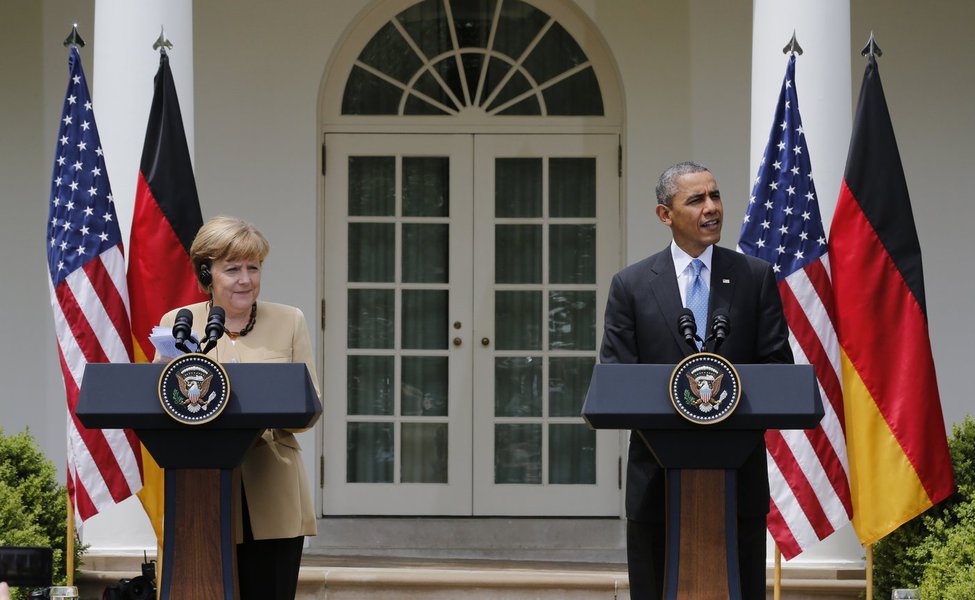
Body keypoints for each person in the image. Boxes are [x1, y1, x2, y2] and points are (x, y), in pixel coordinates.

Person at [599, 161, 793, 600]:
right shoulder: (631, 285)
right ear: (665, 215)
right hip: (657, 481)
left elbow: (778, 368)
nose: (712, 208)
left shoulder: (754, 278)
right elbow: (616, 379)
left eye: (715, 196)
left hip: (736, 478)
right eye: (696, 200)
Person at [157, 215, 320, 600]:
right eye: (232, 269)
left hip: (272, 491)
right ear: (206, 272)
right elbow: (162, 404)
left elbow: (309, 406)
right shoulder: (178, 324)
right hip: (198, 492)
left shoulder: (289, 320)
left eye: (253, 267)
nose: (246, 279)